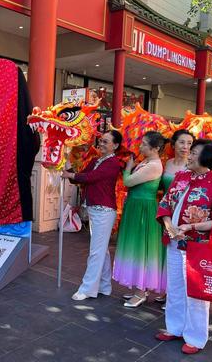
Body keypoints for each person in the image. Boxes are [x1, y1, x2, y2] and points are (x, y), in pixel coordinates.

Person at [156, 139, 212, 354]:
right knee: (175, 287)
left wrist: (191, 226)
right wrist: (169, 224)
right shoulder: (180, 177)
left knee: (197, 293)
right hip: (174, 240)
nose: (188, 156)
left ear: (207, 158)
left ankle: (196, 337)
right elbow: (165, 204)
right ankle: (175, 327)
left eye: (194, 152)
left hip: (199, 247)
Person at [62, 131, 123, 301]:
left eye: (106, 142)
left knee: (96, 251)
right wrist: (65, 162)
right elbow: (79, 178)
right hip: (94, 209)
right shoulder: (96, 160)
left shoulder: (113, 163)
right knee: (101, 251)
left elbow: (91, 177)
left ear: (115, 146)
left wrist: (71, 174)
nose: (101, 144)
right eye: (101, 140)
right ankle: (104, 286)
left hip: (104, 210)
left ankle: (88, 288)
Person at [113, 131, 165, 308]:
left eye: (144, 144)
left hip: (143, 209)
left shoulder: (154, 165)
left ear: (156, 148)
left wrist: (128, 167)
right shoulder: (147, 161)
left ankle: (142, 291)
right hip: (136, 206)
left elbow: (128, 182)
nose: (140, 146)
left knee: (142, 248)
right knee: (135, 247)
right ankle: (139, 288)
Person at [154, 129, 194, 307]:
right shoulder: (167, 163)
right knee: (165, 252)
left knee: (180, 253)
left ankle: (176, 294)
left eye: (189, 144)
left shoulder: (191, 166)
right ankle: (166, 289)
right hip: (165, 213)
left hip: (183, 215)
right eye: (182, 142)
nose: (186, 147)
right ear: (174, 144)